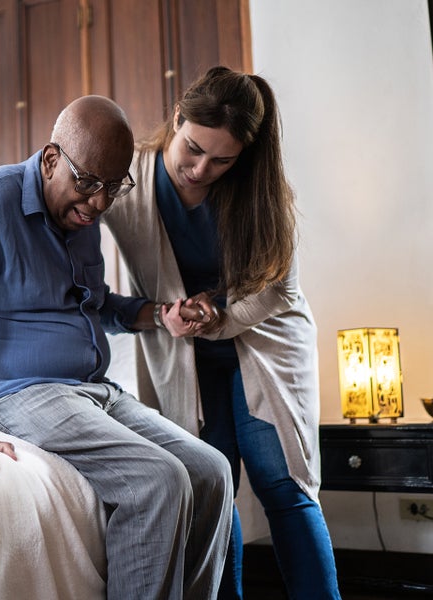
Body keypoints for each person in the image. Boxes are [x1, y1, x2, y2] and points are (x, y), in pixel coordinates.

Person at [0, 94, 233, 600]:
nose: (98, 203)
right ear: (52, 160)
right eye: (88, 183)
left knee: (211, 472)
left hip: (89, 389)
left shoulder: (80, 219)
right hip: (10, 392)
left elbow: (93, 305)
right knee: (157, 483)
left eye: (112, 188)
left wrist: (158, 314)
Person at [103, 67, 342, 599]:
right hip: (183, 349)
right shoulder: (129, 181)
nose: (201, 169)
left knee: (281, 480)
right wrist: (154, 313)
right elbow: (84, 277)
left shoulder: (259, 191)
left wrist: (218, 313)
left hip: (264, 341)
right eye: (193, 149)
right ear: (177, 118)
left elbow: (277, 290)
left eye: (222, 160)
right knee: (212, 486)